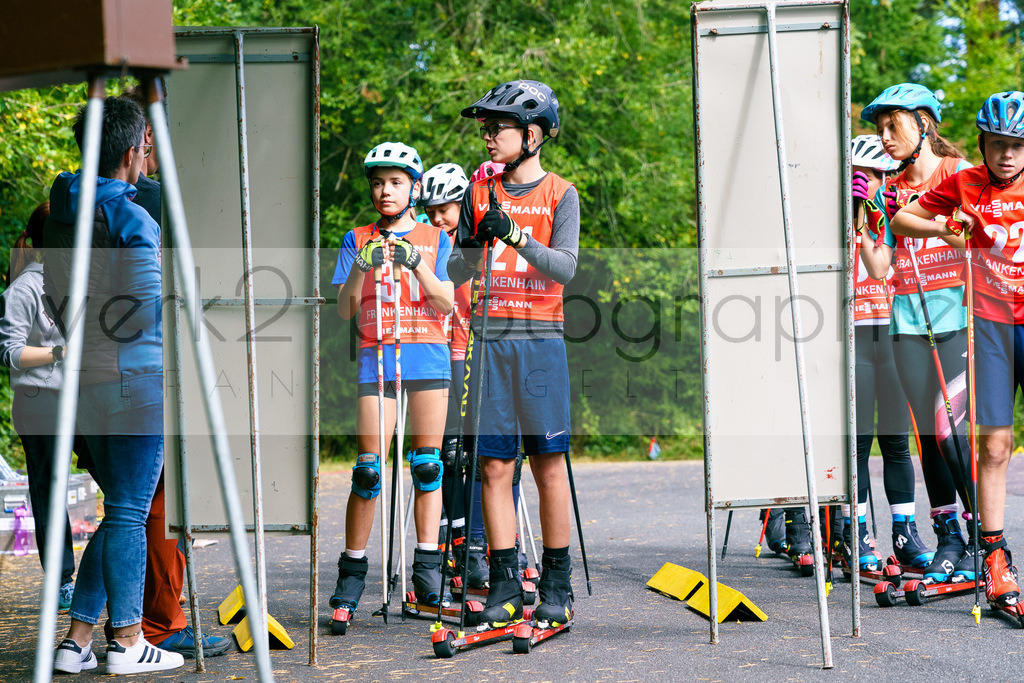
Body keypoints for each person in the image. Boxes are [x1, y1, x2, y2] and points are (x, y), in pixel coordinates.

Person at [44, 96, 182, 674]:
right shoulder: (132, 217)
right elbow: (144, 311)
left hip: (83, 379)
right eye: (147, 148)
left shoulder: (64, 204)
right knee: (128, 512)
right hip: (133, 377)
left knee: (118, 509)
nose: (148, 157)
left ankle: (75, 642)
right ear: (131, 151)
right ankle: (126, 642)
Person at [448, 80, 580, 629]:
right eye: (484, 127)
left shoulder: (561, 194)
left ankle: (555, 583)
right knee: (494, 468)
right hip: (491, 344)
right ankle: (504, 585)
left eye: (495, 127)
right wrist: (475, 239)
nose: (487, 136)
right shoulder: (478, 194)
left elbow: (567, 267)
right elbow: (457, 272)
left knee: (548, 467)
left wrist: (516, 235)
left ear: (531, 135)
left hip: (541, 345)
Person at [892, 90, 1024, 607]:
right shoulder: (964, 182)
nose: (1007, 155)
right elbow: (902, 221)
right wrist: (947, 228)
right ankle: (994, 561)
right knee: (992, 446)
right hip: (990, 327)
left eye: (1017, 145)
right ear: (983, 144)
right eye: (997, 144)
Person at [117, 86, 231, 658]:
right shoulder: (150, 200)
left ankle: (122, 626)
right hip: (153, 368)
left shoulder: (90, 201)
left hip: (108, 372)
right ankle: (161, 622)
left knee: (130, 505)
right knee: (160, 500)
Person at [330, 142, 455, 617]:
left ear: (414, 188)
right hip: (376, 359)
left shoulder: (433, 237)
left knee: (427, 466)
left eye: (397, 182)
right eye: (378, 182)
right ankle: (352, 576)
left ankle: (427, 576)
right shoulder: (356, 236)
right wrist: (362, 267)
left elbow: (445, 303)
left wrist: (414, 262)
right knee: (368, 471)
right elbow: (345, 310)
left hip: (427, 359)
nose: (386, 190)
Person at [859, 83, 976, 584]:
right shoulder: (889, 190)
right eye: (881, 128)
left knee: (952, 434)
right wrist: (863, 222)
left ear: (926, 124)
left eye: (894, 126)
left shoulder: (963, 176)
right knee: (930, 437)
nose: (885, 137)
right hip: (907, 320)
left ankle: (983, 540)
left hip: (957, 317)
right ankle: (949, 536)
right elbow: (881, 268)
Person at [0, 202, 93, 613]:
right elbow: (9, 352)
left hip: (78, 401)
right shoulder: (22, 289)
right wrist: (60, 352)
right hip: (38, 404)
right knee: (50, 494)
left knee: (119, 481)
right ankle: (62, 583)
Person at [845, 134, 932, 570]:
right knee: (857, 445)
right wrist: (853, 219)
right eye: (861, 176)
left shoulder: (898, 218)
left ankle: (905, 534)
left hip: (894, 335)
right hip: (854, 338)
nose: (872, 182)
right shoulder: (837, 223)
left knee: (897, 443)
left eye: (878, 173)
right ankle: (857, 534)